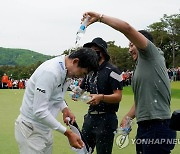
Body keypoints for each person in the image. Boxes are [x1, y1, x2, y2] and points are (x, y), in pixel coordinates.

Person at [81, 12, 177, 154]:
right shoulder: (141, 67)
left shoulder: (152, 54)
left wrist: (100, 18)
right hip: (145, 126)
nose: (129, 48)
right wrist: (128, 117)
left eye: (132, 44)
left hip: (158, 125)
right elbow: (142, 98)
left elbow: (126, 28)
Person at [14, 48, 99, 154]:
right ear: (75, 61)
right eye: (82, 73)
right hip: (31, 128)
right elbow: (39, 111)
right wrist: (67, 133)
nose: (80, 77)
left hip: (45, 128)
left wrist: (64, 108)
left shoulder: (67, 71)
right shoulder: (50, 72)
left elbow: (56, 95)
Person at [78, 37, 123, 154]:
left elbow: (118, 96)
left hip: (107, 119)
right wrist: (75, 93)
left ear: (102, 52)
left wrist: (101, 97)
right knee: (83, 151)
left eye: (95, 50)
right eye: (90, 50)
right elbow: (80, 90)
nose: (92, 53)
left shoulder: (113, 71)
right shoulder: (90, 71)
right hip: (90, 118)